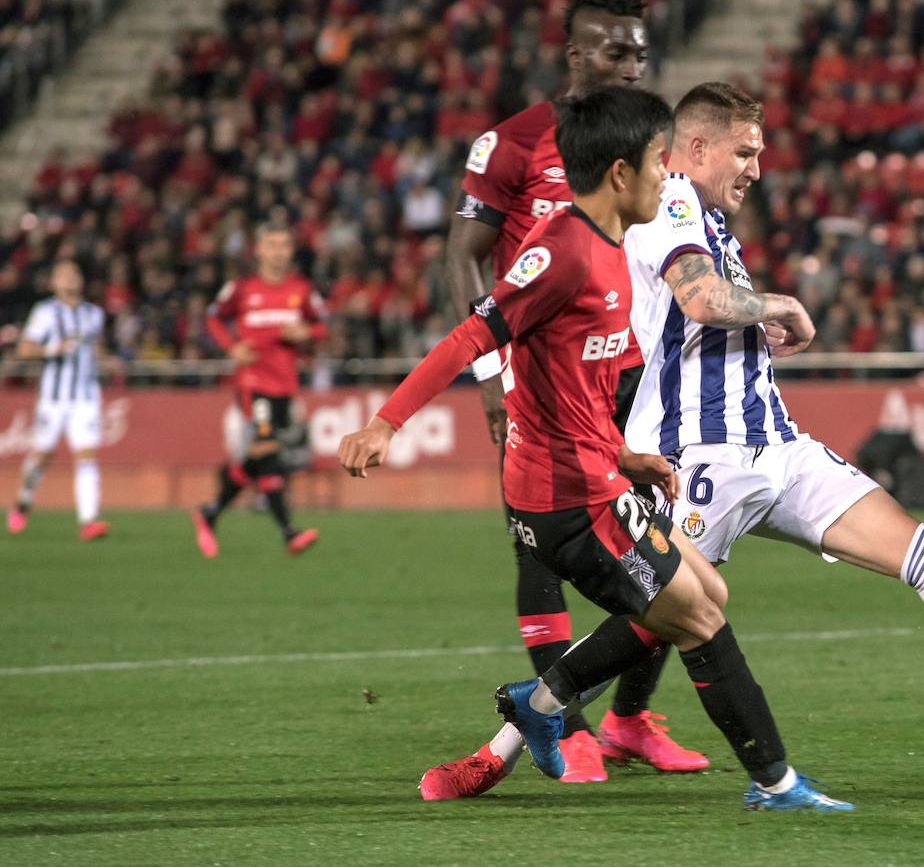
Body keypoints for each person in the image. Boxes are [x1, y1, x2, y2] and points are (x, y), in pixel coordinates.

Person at [430, 83, 924, 801]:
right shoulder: (674, 198)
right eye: (744, 152)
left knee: (922, 549)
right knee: (661, 620)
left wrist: (755, 326)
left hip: (776, 448)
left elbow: (703, 308)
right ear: (694, 149)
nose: (757, 167)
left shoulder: (709, 222)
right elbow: (698, 297)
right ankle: (509, 741)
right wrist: (779, 304)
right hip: (700, 456)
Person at [338, 86, 851, 813]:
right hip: (560, 502)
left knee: (704, 592)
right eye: (655, 166)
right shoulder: (560, 252)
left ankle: (538, 707)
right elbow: (468, 337)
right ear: (620, 174)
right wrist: (385, 423)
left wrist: (628, 455)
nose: (666, 181)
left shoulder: (615, 256)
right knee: (698, 617)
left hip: (600, 478)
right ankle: (776, 783)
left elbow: (578, 387)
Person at [443, 0, 700, 782]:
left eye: (640, 51)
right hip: (544, 382)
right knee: (542, 550)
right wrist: (490, 372)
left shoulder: (657, 145)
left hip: (632, 372)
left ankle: (628, 718)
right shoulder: (515, 143)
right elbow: (463, 257)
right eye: (615, 49)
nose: (630, 63)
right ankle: (572, 730)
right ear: (576, 54)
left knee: (667, 541)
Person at [190, 220, 324, 558]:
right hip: (252, 382)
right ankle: (288, 532)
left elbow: (323, 324)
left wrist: (306, 333)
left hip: (284, 384)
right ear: (259, 250)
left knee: (259, 456)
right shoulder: (242, 288)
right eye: (272, 245)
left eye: (284, 245)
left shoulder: (301, 289)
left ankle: (209, 512)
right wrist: (230, 347)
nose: (279, 252)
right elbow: (213, 316)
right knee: (267, 447)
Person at [7, 260, 112, 541]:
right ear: (53, 283)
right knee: (41, 456)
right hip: (53, 399)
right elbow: (24, 348)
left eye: (74, 273)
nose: (70, 279)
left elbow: (96, 349)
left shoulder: (94, 314)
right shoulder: (45, 313)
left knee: (86, 455)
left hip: (86, 396)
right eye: (63, 274)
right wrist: (53, 349)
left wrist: (107, 361)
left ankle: (89, 520)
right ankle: (23, 501)